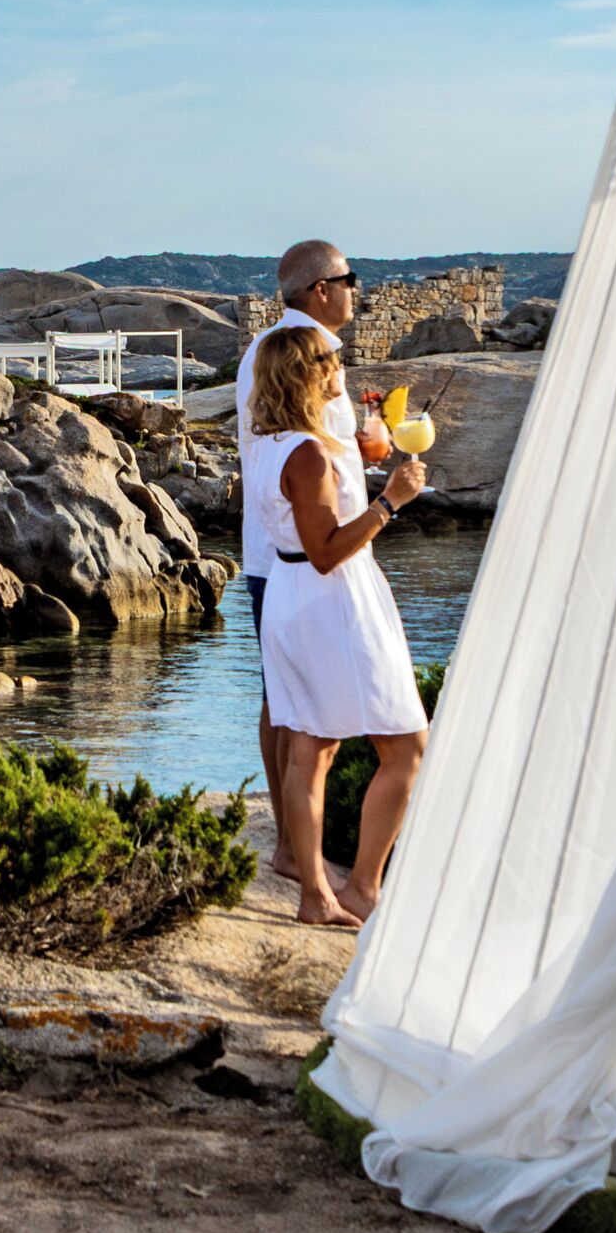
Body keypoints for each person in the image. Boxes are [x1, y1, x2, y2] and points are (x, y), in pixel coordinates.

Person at [244, 321, 428, 927]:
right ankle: (362, 889)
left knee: (310, 750)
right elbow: (325, 549)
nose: (340, 371)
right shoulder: (308, 451)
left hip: (290, 596)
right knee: (405, 745)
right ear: (306, 375)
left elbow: (306, 531)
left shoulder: (272, 442)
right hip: (333, 598)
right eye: (329, 363)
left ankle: (315, 895)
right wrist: (389, 503)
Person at [238, 240, 365, 891]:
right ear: (320, 289)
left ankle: (294, 840)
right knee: (296, 703)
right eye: (349, 278)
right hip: (297, 553)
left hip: (278, 551)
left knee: (285, 697)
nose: (356, 290)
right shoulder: (297, 353)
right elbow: (297, 450)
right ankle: (293, 847)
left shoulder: (271, 351)